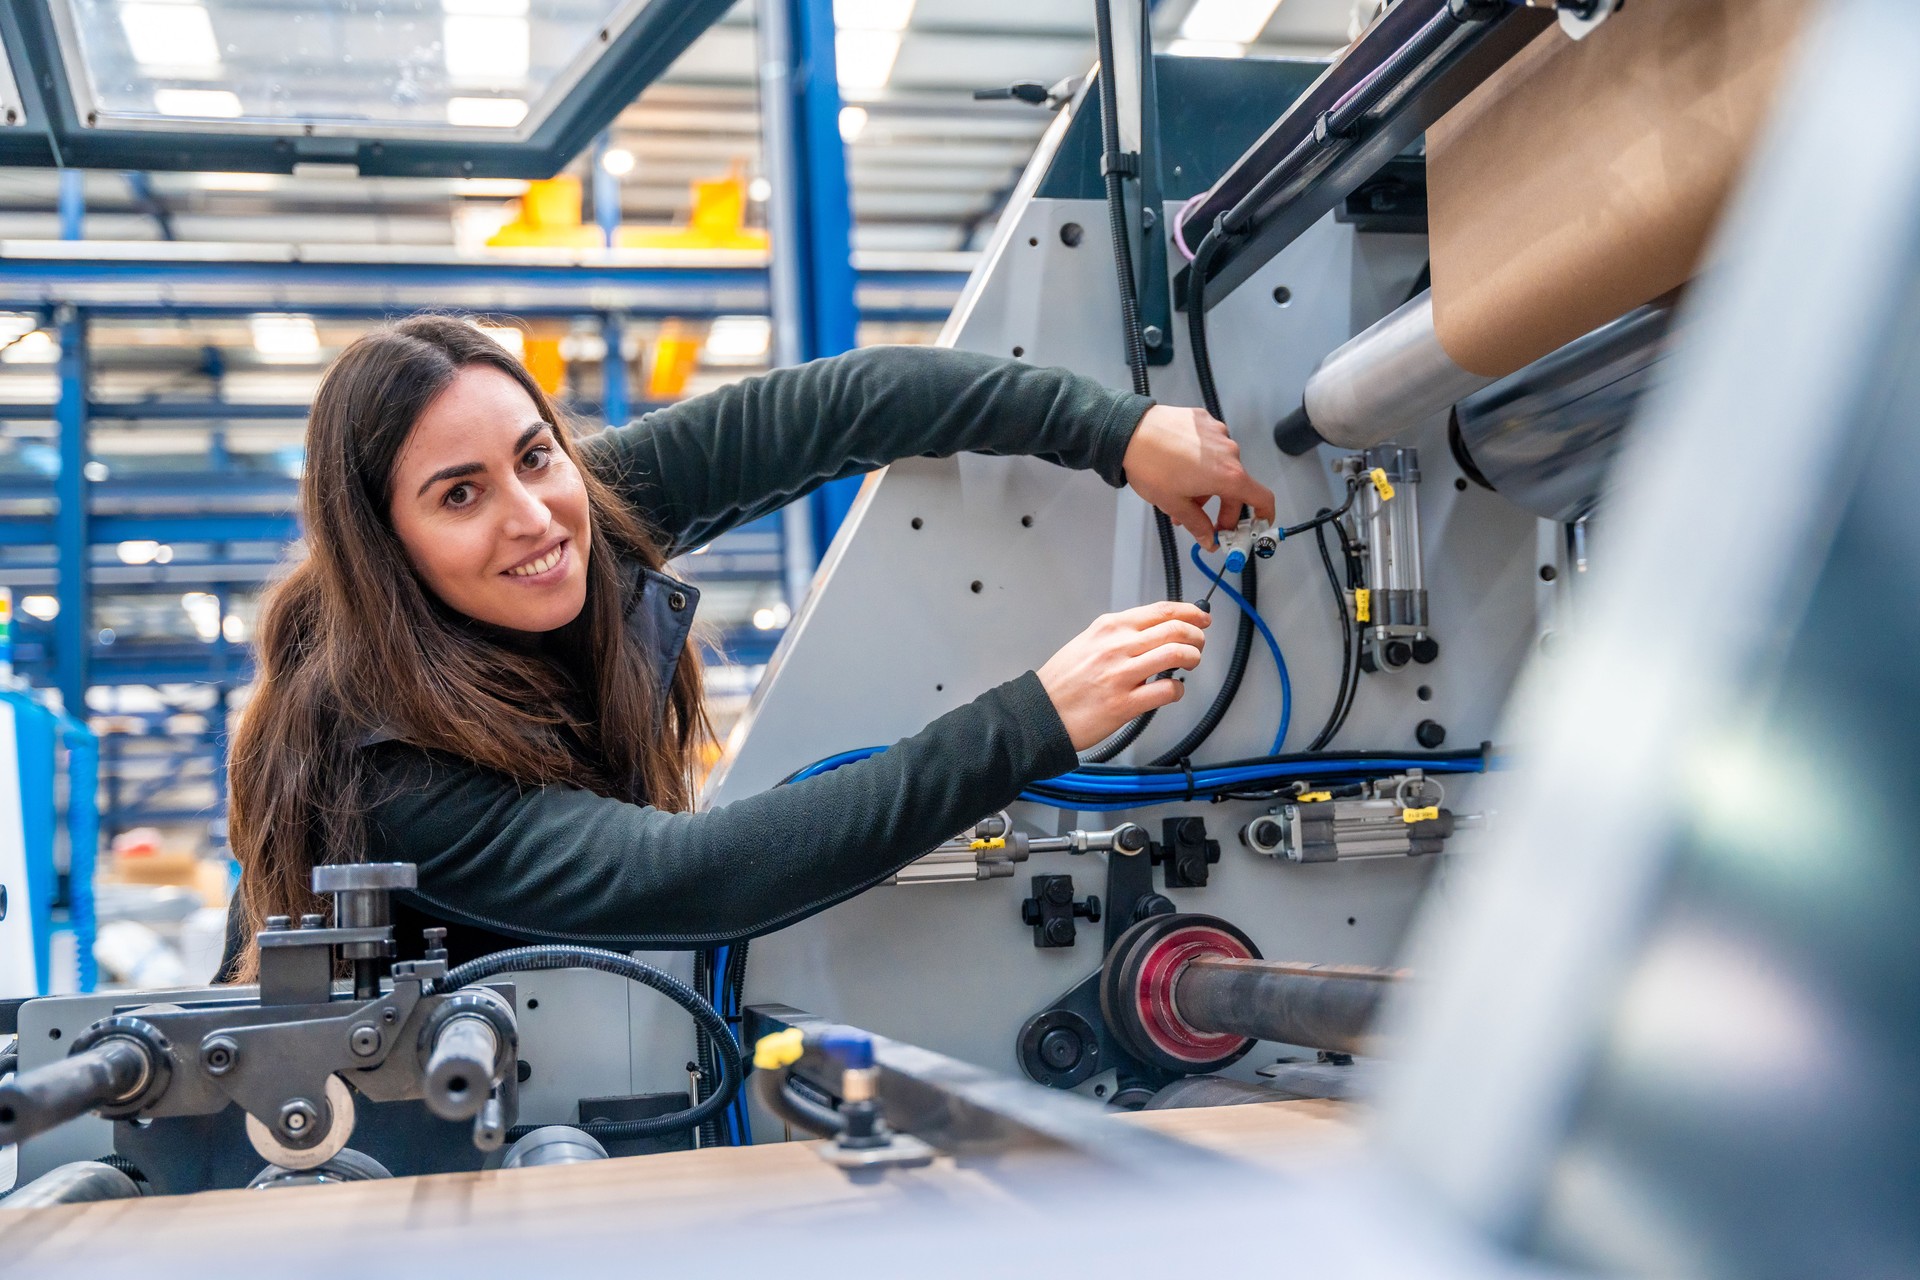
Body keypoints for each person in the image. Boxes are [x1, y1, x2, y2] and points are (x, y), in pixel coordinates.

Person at [217, 315, 1274, 980]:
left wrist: (1115, 430)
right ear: (383, 545)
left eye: (535, 453)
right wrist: (1032, 717)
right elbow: (700, 875)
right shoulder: (386, 774)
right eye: (459, 494)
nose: (534, 514)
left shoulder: (578, 504)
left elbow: (822, 409)